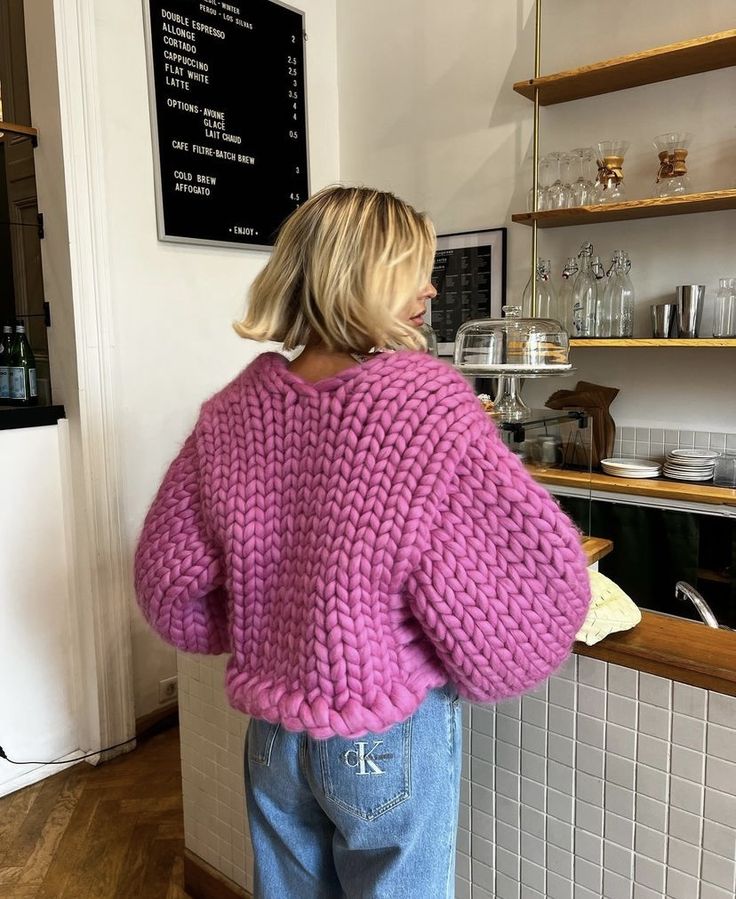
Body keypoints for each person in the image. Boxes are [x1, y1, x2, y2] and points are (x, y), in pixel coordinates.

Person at [134, 185, 591, 898]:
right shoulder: (425, 404)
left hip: (276, 736)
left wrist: (266, 623)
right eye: (414, 270)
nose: (431, 287)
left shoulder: (230, 414)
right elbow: (533, 595)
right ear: (362, 278)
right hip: (387, 731)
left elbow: (168, 583)